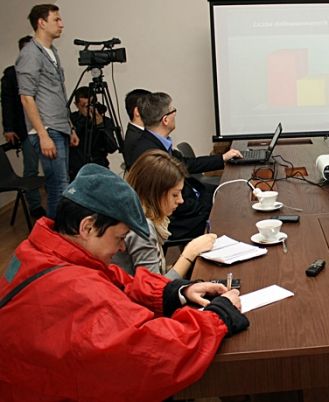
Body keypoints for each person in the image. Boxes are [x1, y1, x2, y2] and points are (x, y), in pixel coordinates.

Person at [0, 164, 249, 400]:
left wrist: (178, 291)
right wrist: (219, 316)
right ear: (88, 227)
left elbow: (120, 283)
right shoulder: (75, 289)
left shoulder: (41, 251)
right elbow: (153, 356)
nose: (122, 247)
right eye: (120, 237)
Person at [123, 92, 241, 239]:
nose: (175, 113)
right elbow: (172, 203)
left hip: (190, 197)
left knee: (230, 193)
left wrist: (222, 158)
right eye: (173, 110)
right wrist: (206, 206)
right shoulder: (151, 153)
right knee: (229, 211)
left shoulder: (157, 141)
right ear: (165, 120)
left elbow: (187, 164)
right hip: (179, 218)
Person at [17, 4, 79, 218]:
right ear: (41, 23)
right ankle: (55, 234)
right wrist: (43, 135)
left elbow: (57, 93)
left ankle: (59, 231)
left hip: (59, 126)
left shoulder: (52, 52)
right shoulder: (30, 54)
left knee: (62, 184)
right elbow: (26, 98)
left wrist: (70, 127)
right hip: (48, 130)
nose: (61, 24)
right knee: (58, 187)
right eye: (56, 20)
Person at [113, 150, 216, 278]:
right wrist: (189, 253)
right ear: (154, 194)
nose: (181, 200)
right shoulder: (142, 228)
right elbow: (155, 287)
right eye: (175, 195)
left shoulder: (139, 216)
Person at [1, 35, 45, 218]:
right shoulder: (12, 75)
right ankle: (35, 206)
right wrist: (9, 128)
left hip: (48, 126)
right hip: (27, 130)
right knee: (31, 169)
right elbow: (8, 103)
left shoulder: (43, 71)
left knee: (54, 168)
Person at [68, 86, 118, 179]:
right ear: (76, 105)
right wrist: (83, 120)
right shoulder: (71, 121)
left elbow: (112, 148)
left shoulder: (105, 121)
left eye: (91, 105)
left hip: (99, 169)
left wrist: (100, 126)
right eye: (84, 106)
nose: (88, 109)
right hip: (76, 172)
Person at [123, 88, 150, 165]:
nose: (155, 111)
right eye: (150, 106)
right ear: (137, 111)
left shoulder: (138, 133)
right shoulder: (137, 139)